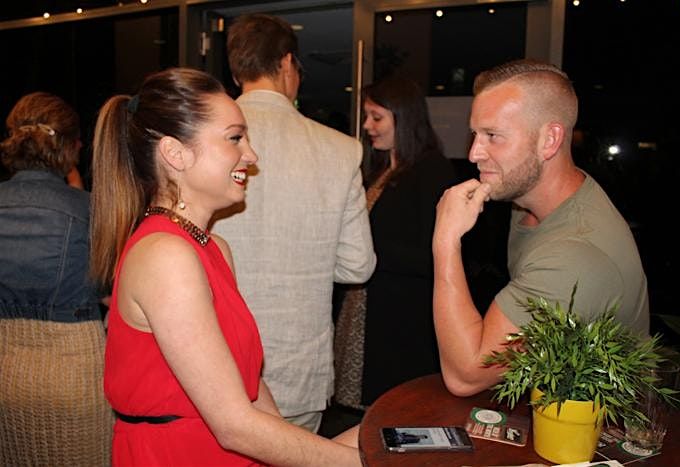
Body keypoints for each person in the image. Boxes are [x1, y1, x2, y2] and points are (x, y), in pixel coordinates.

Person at [90, 67, 361, 466]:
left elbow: (249, 387)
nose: (251, 155)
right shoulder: (166, 255)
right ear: (175, 153)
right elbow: (233, 425)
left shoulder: (213, 247)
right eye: (235, 138)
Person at [432, 59, 649, 397]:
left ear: (549, 139)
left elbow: (466, 376)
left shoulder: (575, 255)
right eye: (475, 134)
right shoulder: (529, 201)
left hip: (601, 427)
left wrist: (445, 240)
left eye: (493, 136)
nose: (474, 153)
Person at [213, 13, 376, 432]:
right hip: (299, 370)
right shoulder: (340, 149)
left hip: (214, 364)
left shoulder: (204, 141)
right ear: (287, 63)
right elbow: (357, 266)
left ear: (236, 71)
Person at [0, 92, 112, 466]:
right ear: (70, 146)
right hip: (74, 376)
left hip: (5, 374)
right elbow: (108, 290)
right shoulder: (91, 209)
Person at [334, 76, 458, 408]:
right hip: (365, 309)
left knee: (393, 409)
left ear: (404, 118)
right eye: (367, 116)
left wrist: (369, 251)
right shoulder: (381, 170)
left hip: (402, 321)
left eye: (376, 117)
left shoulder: (431, 171)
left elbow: (434, 257)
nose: (367, 126)